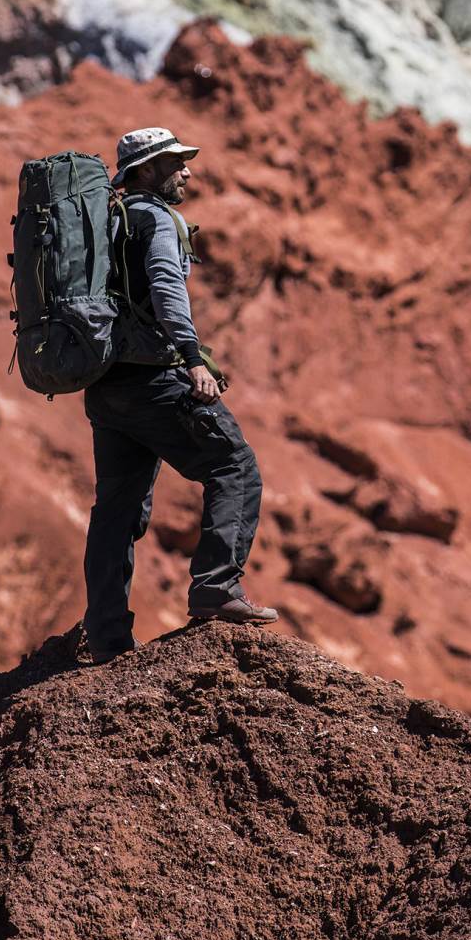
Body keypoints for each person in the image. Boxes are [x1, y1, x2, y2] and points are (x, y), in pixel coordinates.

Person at [81, 125, 277, 662]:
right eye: (174, 162)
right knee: (233, 465)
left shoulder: (107, 221)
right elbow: (167, 289)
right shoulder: (157, 220)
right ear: (145, 170)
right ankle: (216, 588)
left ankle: (105, 635)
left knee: (117, 510)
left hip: (105, 386)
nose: (187, 170)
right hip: (153, 380)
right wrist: (193, 359)